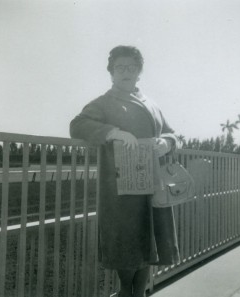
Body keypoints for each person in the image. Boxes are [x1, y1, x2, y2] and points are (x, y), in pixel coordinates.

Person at [70, 45, 180, 297]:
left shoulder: (151, 104)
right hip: (121, 185)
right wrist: (113, 132)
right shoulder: (104, 102)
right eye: (119, 67)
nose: (125, 72)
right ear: (111, 72)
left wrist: (167, 142)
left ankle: (138, 293)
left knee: (150, 241)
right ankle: (125, 292)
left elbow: (172, 133)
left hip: (151, 181)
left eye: (131, 67)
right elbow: (77, 124)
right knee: (127, 242)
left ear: (139, 72)